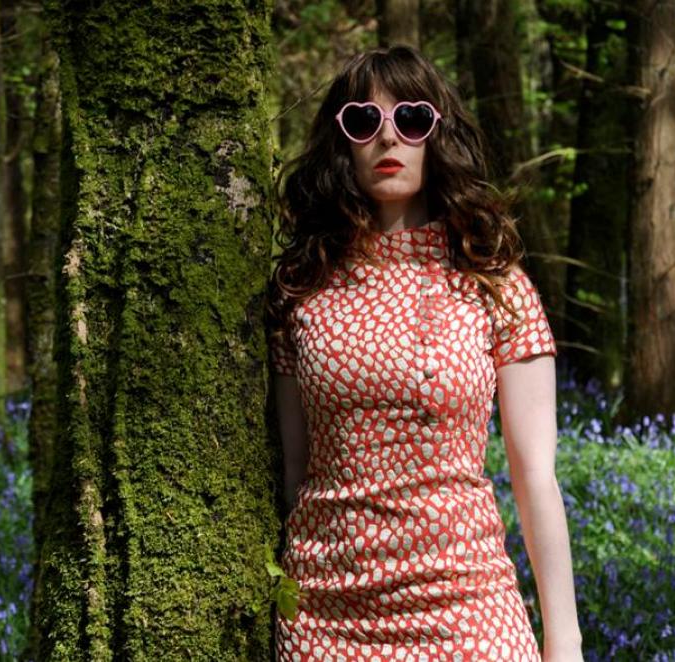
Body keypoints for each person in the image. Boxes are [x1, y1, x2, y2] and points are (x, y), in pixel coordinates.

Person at [266, 45, 584, 662]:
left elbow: (535, 476)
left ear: (436, 135)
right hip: (327, 619)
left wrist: (563, 639)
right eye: (363, 121)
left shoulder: (494, 282)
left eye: (411, 119)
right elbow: (295, 475)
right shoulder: (302, 289)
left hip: (468, 607)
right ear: (343, 142)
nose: (388, 137)